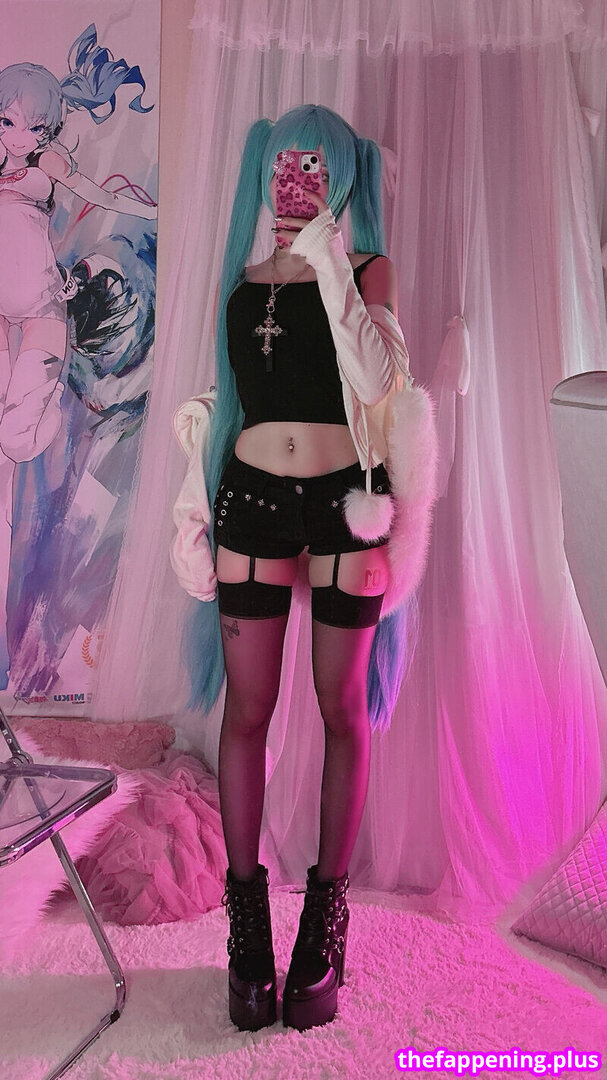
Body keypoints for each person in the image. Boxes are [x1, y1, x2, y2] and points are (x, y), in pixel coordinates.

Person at [171, 103, 436, 1033]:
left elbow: (377, 382)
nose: (296, 185)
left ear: (340, 178)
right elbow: (226, 403)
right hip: (250, 497)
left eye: (315, 169)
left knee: (339, 708)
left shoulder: (365, 271)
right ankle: (247, 932)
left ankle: (323, 923)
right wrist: (191, 498)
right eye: (286, 167)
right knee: (246, 712)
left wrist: (327, 255)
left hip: (344, 505)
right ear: (265, 172)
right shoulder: (240, 281)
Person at [0, 25, 155, 465]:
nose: (18, 137)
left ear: (47, 130)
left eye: (34, 127)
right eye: (7, 122)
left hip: (41, 304)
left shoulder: (46, 162)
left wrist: (153, 211)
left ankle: (49, 406)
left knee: (17, 441)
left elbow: (102, 196)